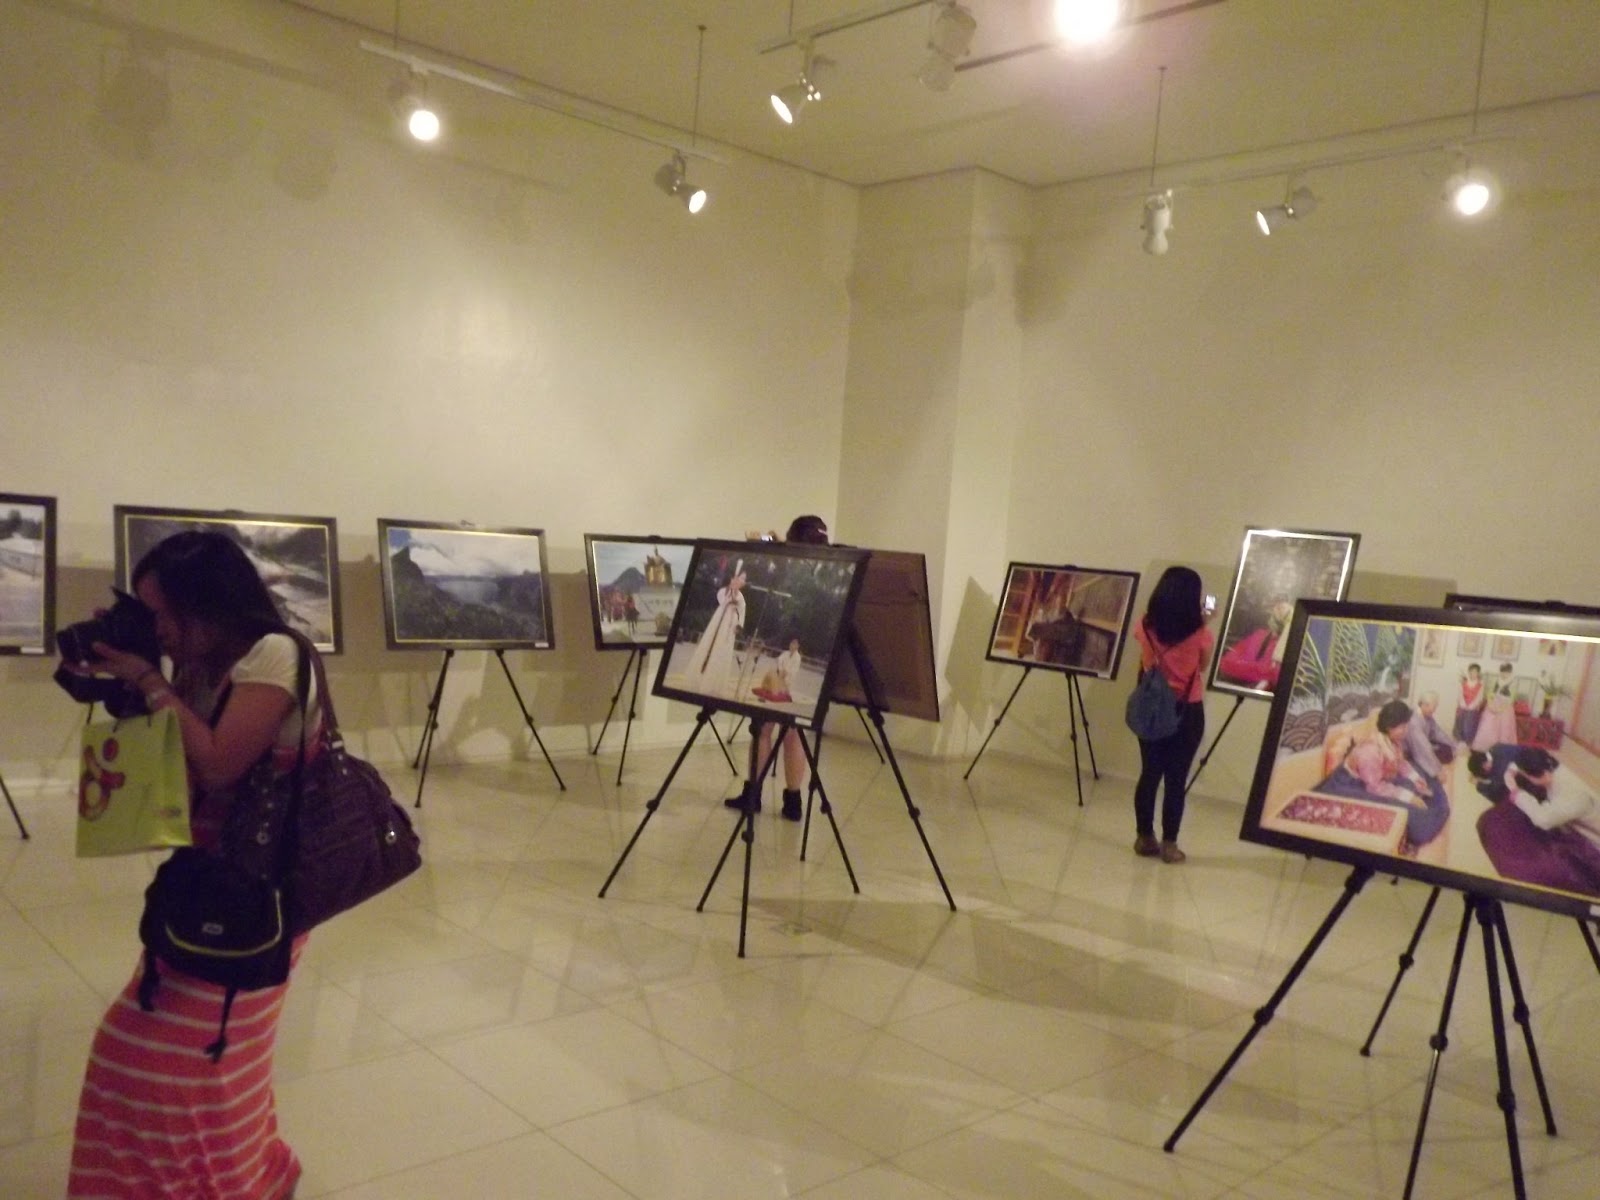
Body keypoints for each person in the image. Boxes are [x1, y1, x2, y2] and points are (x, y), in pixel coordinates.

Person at [64, 530, 321, 1199]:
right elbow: (172, 775)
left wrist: (149, 678)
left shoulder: (276, 654)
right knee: (212, 1064)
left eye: (162, 616)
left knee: (165, 1062)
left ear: (208, 605)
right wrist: (132, 680)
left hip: (255, 895)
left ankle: (226, 1183)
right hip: (202, 887)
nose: (159, 630)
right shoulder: (202, 667)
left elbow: (218, 763)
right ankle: (256, 1175)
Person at [728, 515, 828, 822]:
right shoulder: (825, 569)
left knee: (764, 727)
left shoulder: (792, 570)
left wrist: (765, 547)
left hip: (784, 651)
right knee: (794, 730)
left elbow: (785, 617)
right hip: (801, 650)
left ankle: (753, 794)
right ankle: (793, 801)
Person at [1129, 566, 1214, 863]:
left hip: (1151, 708)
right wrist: (1205, 621)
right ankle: (1169, 845)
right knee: (1176, 780)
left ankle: (1144, 837)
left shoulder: (1144, 625)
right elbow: (1202, 667)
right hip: (1186, 711)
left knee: (1149, 773)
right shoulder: (1201, 633)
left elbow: (1144, 657)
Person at [1321, 698, 1450, 849]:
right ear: (1389, 727)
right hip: (1352, 785)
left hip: (1373, 779)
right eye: (1402, 727)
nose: (1406, 731)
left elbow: (1401, 763)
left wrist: (1416, 779)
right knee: (1410, 815)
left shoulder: (1392, 740)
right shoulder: (1370, 751)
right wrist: (1408, 797)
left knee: (1415, 782)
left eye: (1406, 726)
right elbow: (1375, 787)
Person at [682, 561, 746, 694]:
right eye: (739, 578)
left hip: (730, 624)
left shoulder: (741, 597)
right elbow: (721, 600)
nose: (740, 581)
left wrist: (738, 625)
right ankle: (700, 677)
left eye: (742, 580)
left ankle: (714, 683)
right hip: (719, 619)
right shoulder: (724, 591)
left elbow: (741, 612)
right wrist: (730, 591)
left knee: (722, 649)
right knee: (710, 643)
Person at [1216, 594, 1292, 691]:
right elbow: (1226, 664)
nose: (1279, 609)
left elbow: (1279, 677)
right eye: (1277, 607)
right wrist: (1265, 672)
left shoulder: (1291, 646)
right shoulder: (1259, 635)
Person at [1403, 691, 1456, 780]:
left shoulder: (1427, 715)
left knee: (1447, 749)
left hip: (1424, 743)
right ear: (1424, 705)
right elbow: (1423, 747)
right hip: (1412, 751)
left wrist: (1453, 745)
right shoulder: (1414, 721)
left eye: (1434, 708)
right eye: (1432, 708)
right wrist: (1438, 770)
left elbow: (1438, 732)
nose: (1434, 711)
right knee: (1429, 769)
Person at [1472, 661, 1519, 751]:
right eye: (1502, 672)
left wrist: (1501, 709)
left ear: (1510, 673)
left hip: (1505, 708)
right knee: (1487, 724)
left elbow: (1511, 699)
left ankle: (1501, 749)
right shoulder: (1495, 680)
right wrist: (1490, 704)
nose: (1504, 674)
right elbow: (1489, 693)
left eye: (1506, 672)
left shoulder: (1513, 683)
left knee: (1504, 728)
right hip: (1493, 705)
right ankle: (1485, 747)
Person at [1453, 662, 1485, 746]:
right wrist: (1463, 704)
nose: (1473, 674)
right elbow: (1460, 694)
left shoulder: (1480, 685)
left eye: (1475, 672)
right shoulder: (1464, 683)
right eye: (1471, 672)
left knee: (1469, 725)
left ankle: (1467, 743)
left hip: (1472, 708)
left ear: (1478, 673)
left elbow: (1479, 697)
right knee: (1460, 724)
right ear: (1469, 672)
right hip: (1462, 706)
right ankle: (1459, 742)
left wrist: (1471, 706)